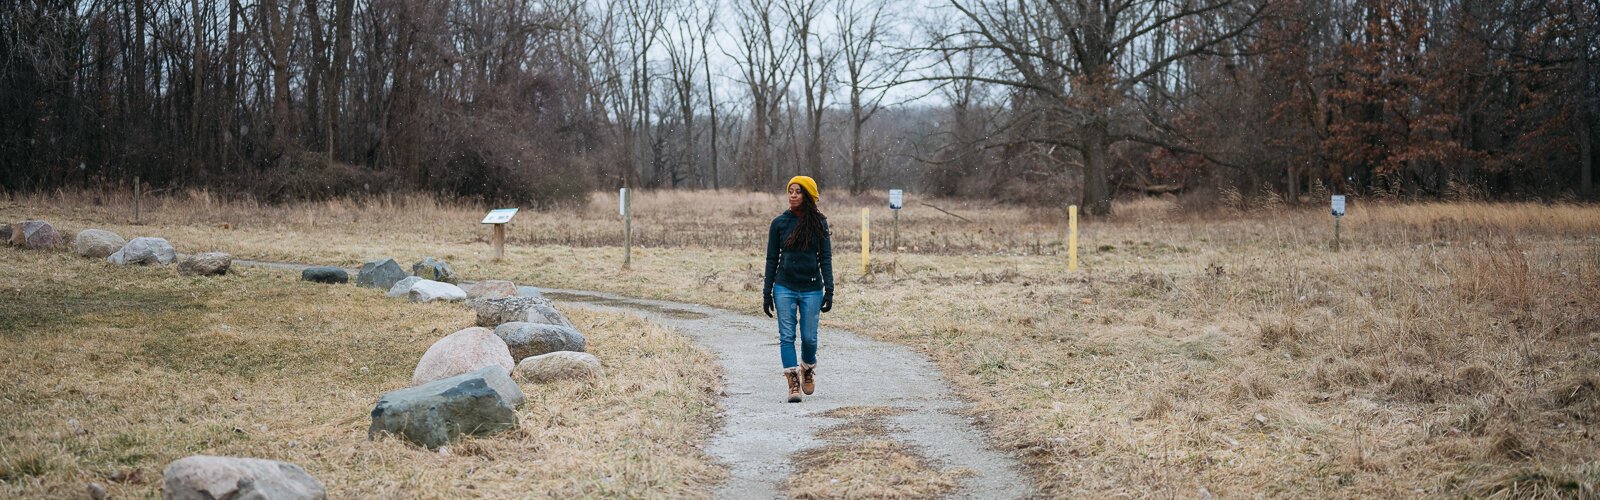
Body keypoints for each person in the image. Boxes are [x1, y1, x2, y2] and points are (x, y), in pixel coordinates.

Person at [763, 175, 834, 403]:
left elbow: (825, 257)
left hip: (812, 288)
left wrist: (829, 289)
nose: (792, 195)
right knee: (786, 336)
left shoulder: (819, 223)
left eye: (798, 191)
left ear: (808, 196)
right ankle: (792, 381)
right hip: (784, 287)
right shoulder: (779, 224)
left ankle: (807, 368)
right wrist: (767, 291)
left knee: (810, 338)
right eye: (790, 191)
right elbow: (772, 258)